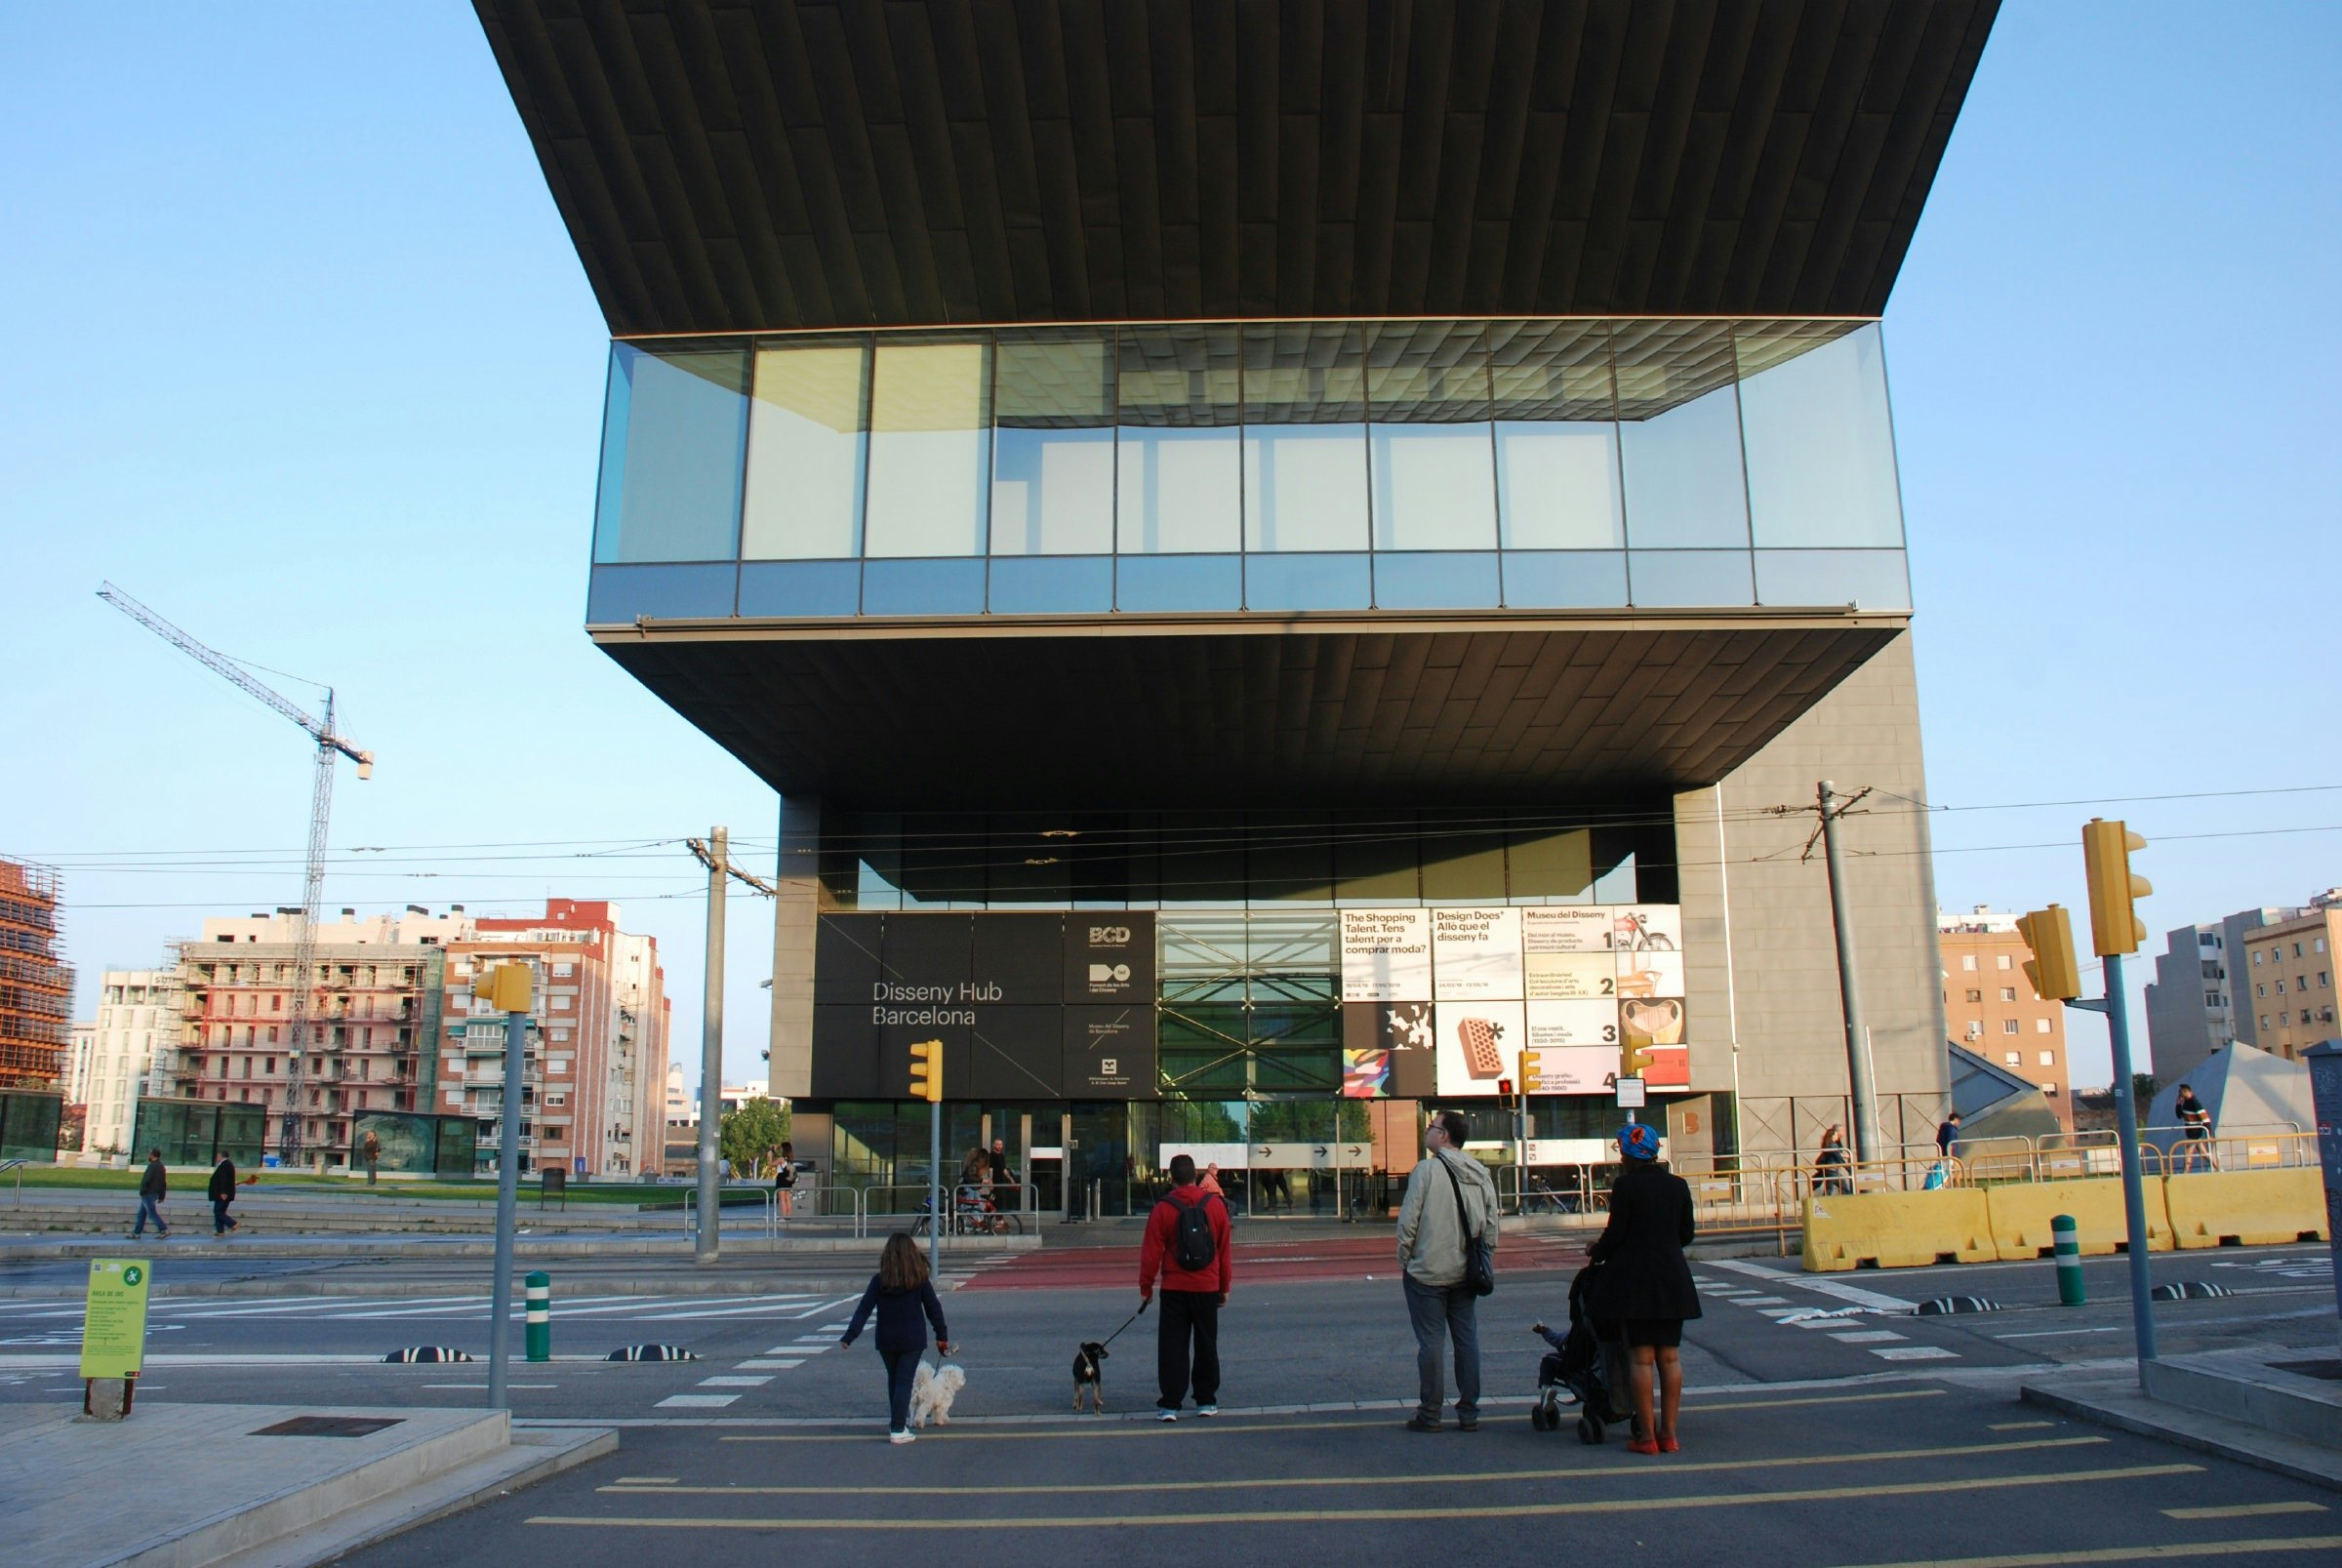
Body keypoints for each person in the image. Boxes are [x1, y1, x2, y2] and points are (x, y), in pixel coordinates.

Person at [1585, 1122, 1701, 1455]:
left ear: (1629, 1154)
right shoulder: (1677, 1186)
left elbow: (1616, 1233)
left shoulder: (1625, 1187)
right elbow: (1686, 1234)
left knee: (1640, 1359)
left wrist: (1597, 1250)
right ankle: (1670, 1434)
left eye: (1621, 1151)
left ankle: (1646, 1437)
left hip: (1635, 1280)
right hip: (1672, 1278)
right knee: (1670, 1356)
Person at [1395, 1108, 1499, 1433]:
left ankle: (1430, 1414)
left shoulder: (1425, 1170)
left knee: (1431, 1344)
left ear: (1444, 1136)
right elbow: (1492, 1224)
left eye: (1431, 1127)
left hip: (1427, 1271)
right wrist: (1484, 1258)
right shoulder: (1480, 1172)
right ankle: (1468, 1412)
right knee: (1466, 1340)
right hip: (1466, 1272)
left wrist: (1407, 1258)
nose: (1427, 1131)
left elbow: (1408, 1221)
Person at [1139, 1152, 1232, 1421]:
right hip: (1207, 1286)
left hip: (1174, 1288)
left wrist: (1146, 1288)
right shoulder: (1215, 1207)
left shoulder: (1163, 1208)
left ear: (1171, 1177)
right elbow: (1224, 1250)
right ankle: (1206, 1400)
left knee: (1173, 1346)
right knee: (1206, 1343)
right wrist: (1224, 1286)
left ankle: (1170, 1404)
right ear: (1196, 1176)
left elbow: (1151, 1253)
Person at [839, 1232, 952, 1444]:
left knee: (894, 1380)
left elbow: (863, 1309)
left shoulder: (879, 1281)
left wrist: (850, 1335)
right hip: (912, 1338)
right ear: (912, 1254)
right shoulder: (918, 1280)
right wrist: (941, 1336)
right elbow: (933, 1309)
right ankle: (898, 1428)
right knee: (904, 1382)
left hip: (886, 1339)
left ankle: (896, 1422)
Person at [131, 1149, 170, 1238]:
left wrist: (142, 1190)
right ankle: (136, 1233)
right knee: (142, 1214)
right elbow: (163, 1182)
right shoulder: (161, 1166)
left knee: (151, 1213)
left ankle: (164, 1229)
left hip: (148, 1193)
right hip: (155, 1193)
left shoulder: (152, 1166)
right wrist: (162, 1196)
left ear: (152, 1155)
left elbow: (146, 1179)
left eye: (150, 1154)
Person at [2174, 1084, 2214, 1172]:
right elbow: (2179, 1115)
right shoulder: (2185, 1103)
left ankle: (2185, 1173)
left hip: (2194, 1133)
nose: (2179, 1094)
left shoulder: (2195, 1102)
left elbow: (2206, 1119)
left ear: (2186, 1092)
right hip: (2191, 1133)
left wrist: (2208, 1133)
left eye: (2180, 1092)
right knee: (2204, 1154)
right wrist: (2178, 1104)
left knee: (2188, 1154)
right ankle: (2218, 1168)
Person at [208, 1153, 241, 1236]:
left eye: (217, 1156)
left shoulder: (225, 1165)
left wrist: (223, 1192)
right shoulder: (227, 1164)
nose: (216, 1158)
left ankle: (233, 1224)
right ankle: (220, 1231)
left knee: (218, 1211)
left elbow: (224, 1179)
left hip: (223, 1194)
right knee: (219, 1211)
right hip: (223, 1193)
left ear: (221, 1156)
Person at [1814, 1125, 1852, 1195]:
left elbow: (1838, 1153)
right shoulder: (1832, 1145)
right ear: (1834, 1134)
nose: (1843, 1133)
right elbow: (1838, 1157)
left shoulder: (1830, 1143)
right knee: (1842, 1189)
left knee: (1830, 1190)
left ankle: (1824, 1202)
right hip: (1832, 1170)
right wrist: (1848, 1169)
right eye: (1836, 1134)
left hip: (1831, 1170)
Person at [773, 1140, 796, 1220]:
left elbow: (770, 1164)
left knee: (782, 1199)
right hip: (788, 1179)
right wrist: (776, 1148)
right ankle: (788, 1216)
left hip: (781, 1178)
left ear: (784, 1149)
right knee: (787, 1198)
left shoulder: (781, 1159)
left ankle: (783, 1216)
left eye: (782, 1148)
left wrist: (769, 1155)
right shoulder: (790, 1158)